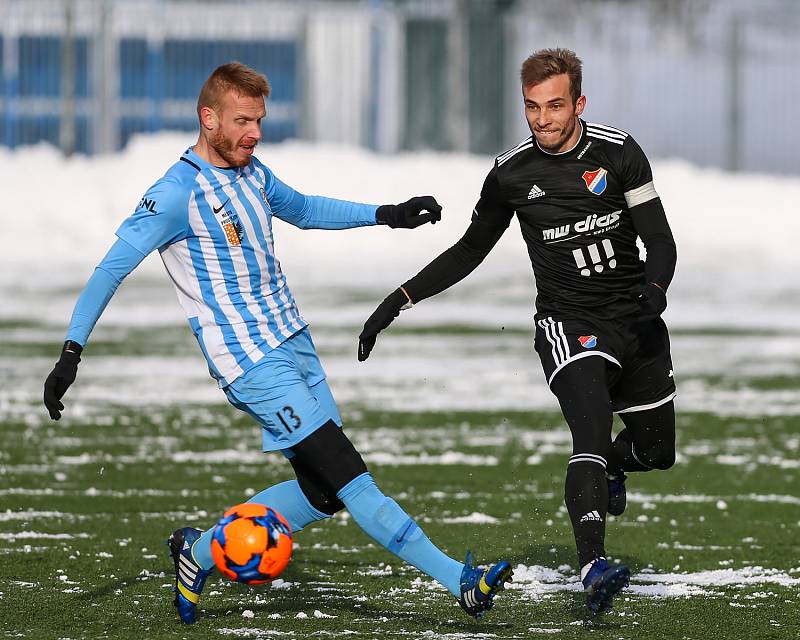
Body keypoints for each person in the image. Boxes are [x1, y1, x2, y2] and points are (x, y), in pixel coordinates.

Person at [42, 62, 512, 625]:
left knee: (323, 492)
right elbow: (109, 270)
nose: (254, 133)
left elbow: (306, 209)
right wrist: (72, 352)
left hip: (294, 343)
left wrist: (388, 215)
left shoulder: (252, 174)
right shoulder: (175, 193)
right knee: (349, 472)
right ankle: (458, 581)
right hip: (252, 363)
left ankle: (196, 553)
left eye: (259, 121)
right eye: (242, 121)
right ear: (208, 117)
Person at [358, 48, 677, 615]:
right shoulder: (510, 174)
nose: (542, 120)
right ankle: (593, 566)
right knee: (588, 434)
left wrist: (653, 296)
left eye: (554, 106)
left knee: (657, 452)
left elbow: (661, 241)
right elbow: (469, 250)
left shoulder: (620, 153)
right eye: (531, 107)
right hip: (568, 323)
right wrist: (398, 299)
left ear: (579, 102)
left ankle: (611, 467)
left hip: (635, 322)